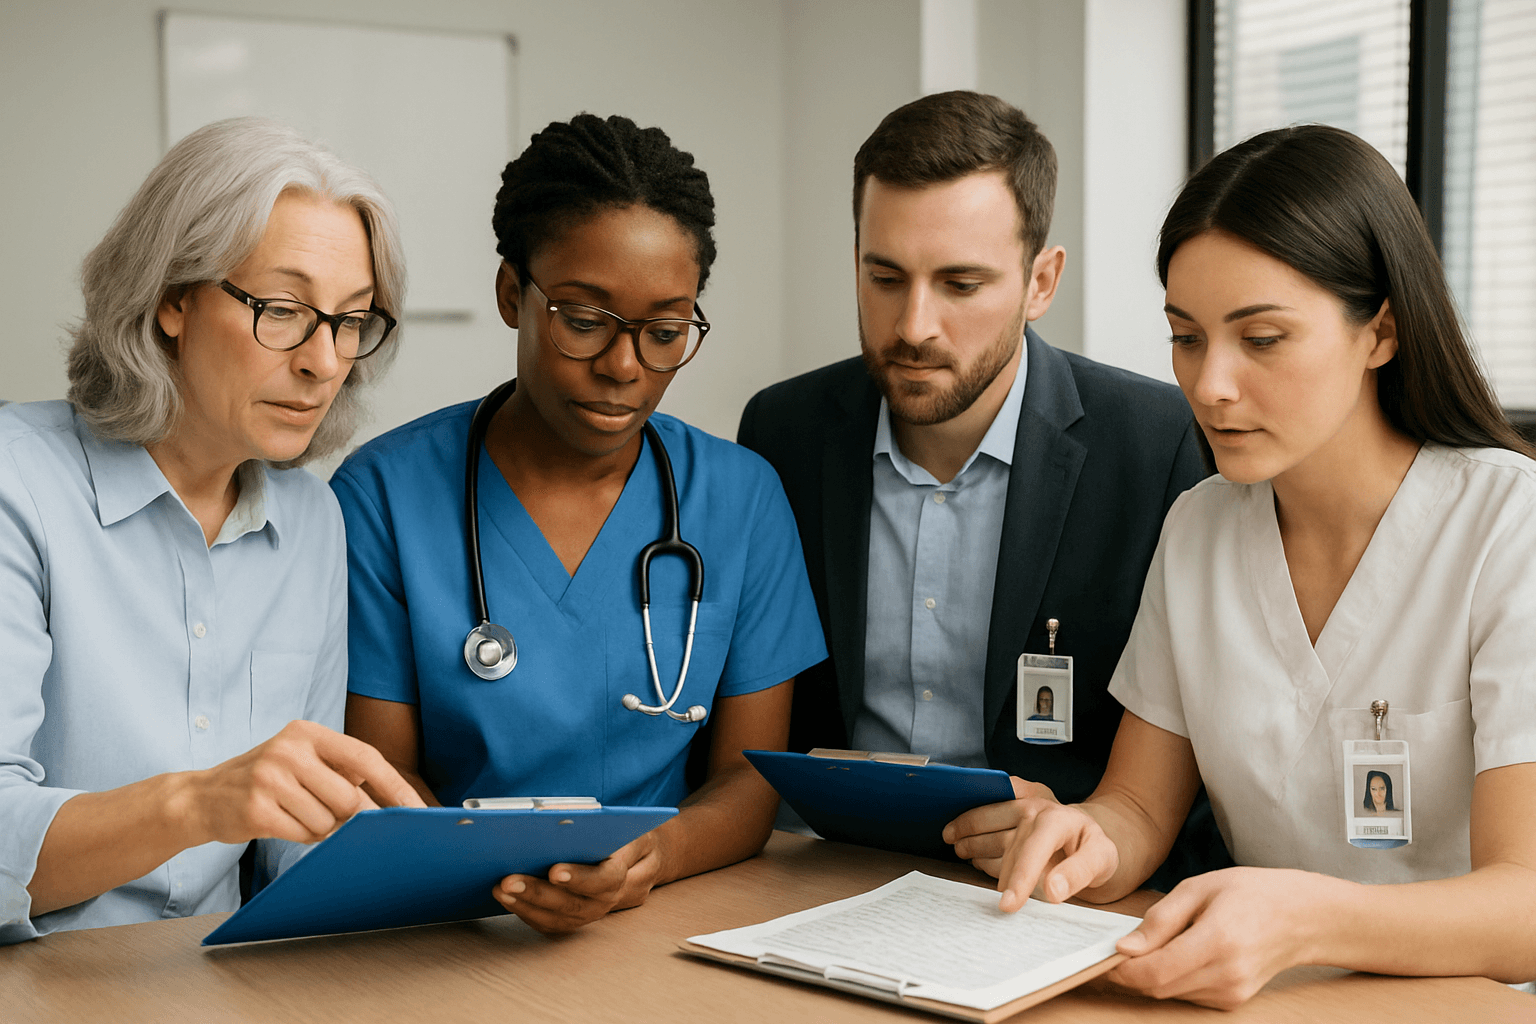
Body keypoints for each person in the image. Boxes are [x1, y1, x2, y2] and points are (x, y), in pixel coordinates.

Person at [957, 124, 1536, 1007]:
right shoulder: (1200, 528)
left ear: (1380, 331)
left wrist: (1308, 920)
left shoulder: (1508, 527)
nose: (1211, 384)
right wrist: (1085, 842)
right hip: (1266, 998)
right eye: (1186, 337)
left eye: (1261, 339)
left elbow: (1523, 902)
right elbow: (1141, 811)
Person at [335, 113, 827, 935]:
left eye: (666, 331)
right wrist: (489, 876)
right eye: (585, 319)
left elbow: (750, 781)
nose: (624, 366)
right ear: (510, 294)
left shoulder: (741, 498)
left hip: (670, 913)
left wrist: (655, 858)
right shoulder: (383, 496)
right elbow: (383, 776)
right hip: (444, 922)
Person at [736, 90, 1226, 886]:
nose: (914, 325)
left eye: (961, 285)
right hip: (824, 869)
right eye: (884, 277)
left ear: (1041, 282)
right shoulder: (784, 432)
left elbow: (1174, 757)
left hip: (1050, 888)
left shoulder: (1157, 440)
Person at [0, 117, 425, 945]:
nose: (324, 362)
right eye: (283, 310)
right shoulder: (16, 484)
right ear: (170, 300)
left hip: (227, 978)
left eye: (350, 320)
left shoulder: (312, 520)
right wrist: (200, 802)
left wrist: (451, 865)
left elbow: (293, 861)